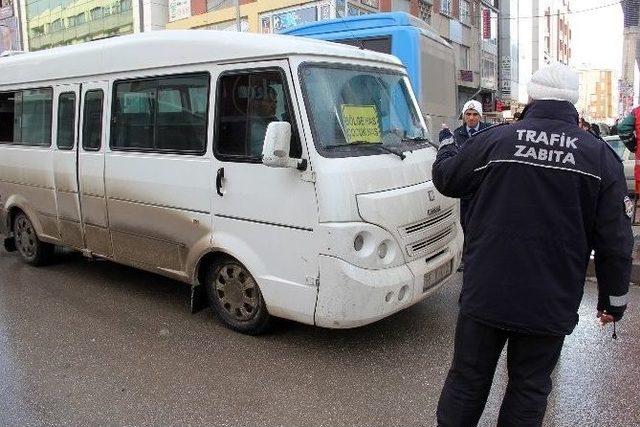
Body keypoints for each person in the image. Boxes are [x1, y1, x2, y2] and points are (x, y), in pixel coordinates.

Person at [432, 63, 632, 426]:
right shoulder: (599, 156)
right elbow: (615, 240)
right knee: (529, 387)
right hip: (550, 299)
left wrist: (446, 144)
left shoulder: (497, 140)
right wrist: (612, 302)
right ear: (575, 102)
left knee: (468, 379)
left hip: (487, 290)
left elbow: (448, 178)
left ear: (531, 96)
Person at [451, 100, 491, 271]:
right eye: (468, 114)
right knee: (465, 223)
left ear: (480, 116)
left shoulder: (489, 131)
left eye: (475, 114)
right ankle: (466, 258)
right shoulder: (458, 133)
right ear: (463, 116)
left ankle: (484, 256)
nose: (472, 118)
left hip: (484, 185)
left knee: (484, 222)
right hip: (465, 185)